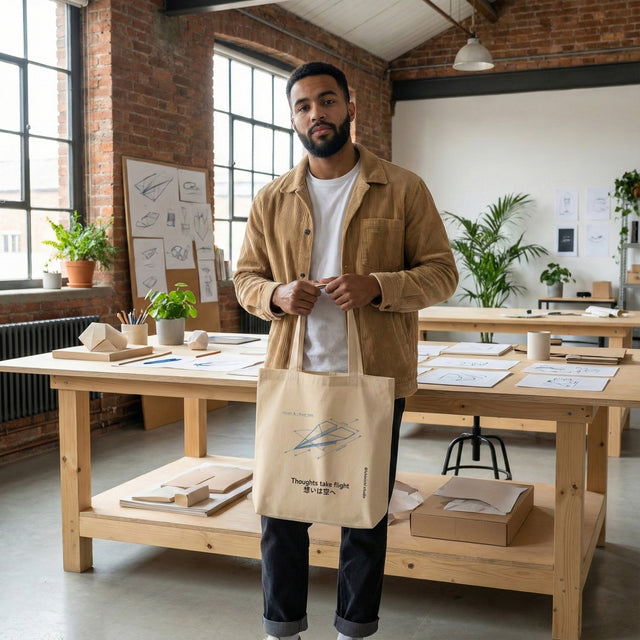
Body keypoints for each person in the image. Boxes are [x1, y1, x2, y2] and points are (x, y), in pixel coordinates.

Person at [233, 61, 458, 640]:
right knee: (280, 512)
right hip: (294, 374)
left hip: (375, 379)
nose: (317, 114)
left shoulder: (403, 187)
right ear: (293, 119)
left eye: (327, 101)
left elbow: (441, 274)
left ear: (350, 108)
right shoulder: (271, 199)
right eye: (304, 106)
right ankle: (282, 627)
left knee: (364, 517)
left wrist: (379, 285)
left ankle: (354, 629)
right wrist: (277, 294)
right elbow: (245, 280)